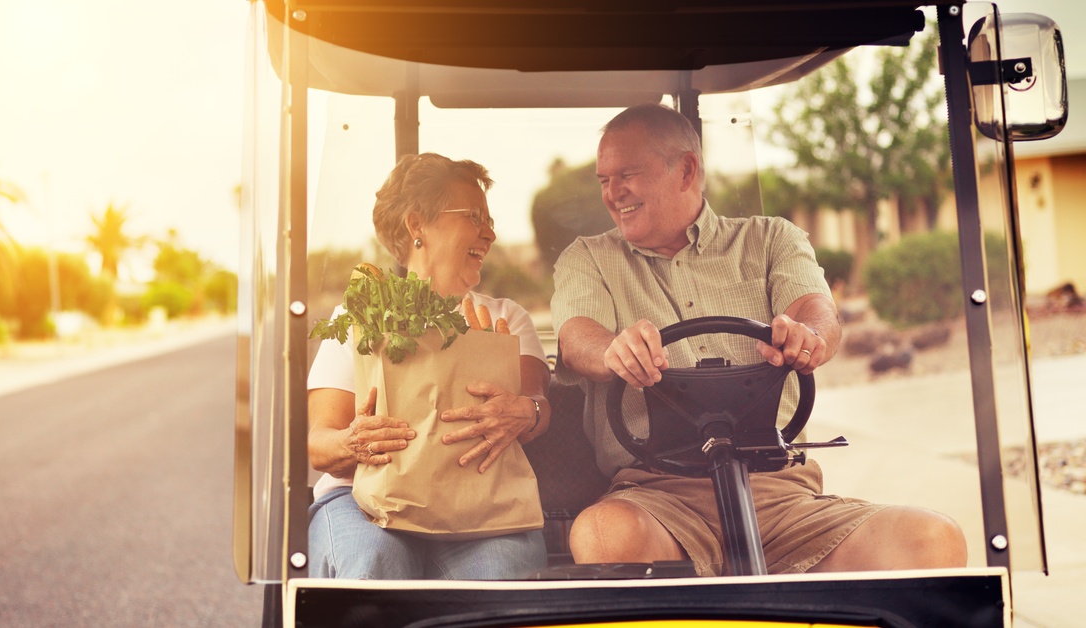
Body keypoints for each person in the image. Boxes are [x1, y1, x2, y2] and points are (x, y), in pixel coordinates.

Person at [551, 103, 967, 576]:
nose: (612, 193)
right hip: (657, 497)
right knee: (603, 534)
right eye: (604, 180)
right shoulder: (589, 258)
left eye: (626, 174)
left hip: (783, 494)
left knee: (933, 540)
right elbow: (575, 337)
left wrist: (809, 337)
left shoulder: (771, 240)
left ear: (686, 169)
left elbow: (815, 311)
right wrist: (612, 350)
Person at [306, 152, 551, 579]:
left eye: (489, 219)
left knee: (501, 573)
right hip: (361, 497)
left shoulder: (506, 319)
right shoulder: (362, 318)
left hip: (480, 499)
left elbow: (538, 405)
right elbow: (318, 444)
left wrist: (524, 411)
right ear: (417, 225)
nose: (490, 233)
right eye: (474, 216)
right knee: (372, 563)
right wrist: (353, 443)